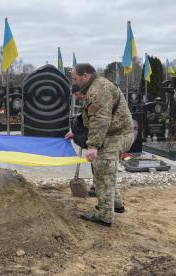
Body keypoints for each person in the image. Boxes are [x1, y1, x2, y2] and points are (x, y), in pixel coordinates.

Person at [65, 63, 134, 227]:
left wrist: (93, 146)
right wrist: (78, 134)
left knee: (102, 171)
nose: (74, 81)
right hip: (115, 134)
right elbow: (89, 117)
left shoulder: (98, 90)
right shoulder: (95, 87)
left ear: (85, 76)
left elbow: (100, 120)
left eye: (75, 78)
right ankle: (116, 204)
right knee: (107, 172)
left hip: (116, 135)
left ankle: (104, 215)